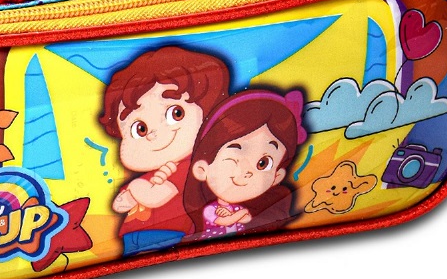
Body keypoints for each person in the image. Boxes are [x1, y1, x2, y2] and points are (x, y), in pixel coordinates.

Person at [99, 46, 230, 256]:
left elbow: (156, 196)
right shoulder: (157, 170)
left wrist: (134, 188)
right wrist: (131, 194)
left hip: (170, 232)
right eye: (140, 129)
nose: (153, 134)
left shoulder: (192, 167)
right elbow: (120, 204)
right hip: (135, 234)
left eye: (176, 114)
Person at [184, 89, 307, 239]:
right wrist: (239, 214)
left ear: (277, 177)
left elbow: (247, 219)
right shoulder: (210, 209)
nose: (247, 171)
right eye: (236, 156)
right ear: (202, 169)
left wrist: (242, 214)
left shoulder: (243, 209)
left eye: (263, 163)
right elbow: (225, 221)